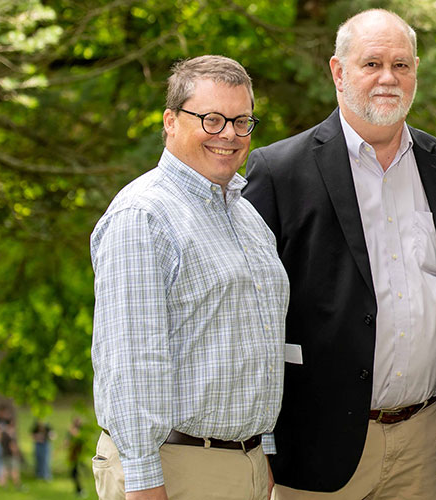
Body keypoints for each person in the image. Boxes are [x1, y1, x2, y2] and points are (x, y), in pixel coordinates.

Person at [242, 9, 436, 500]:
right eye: (372, 63)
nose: (388, 78)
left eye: (402, 65)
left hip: (421, 439)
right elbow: (251, 320)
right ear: (338, 71)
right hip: (316, 446)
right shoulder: (279, 172)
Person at [90, 54, 290, 500]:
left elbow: (257, 349)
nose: (229, 135)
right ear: (171, 121)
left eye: (242, 122)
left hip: (247, 466)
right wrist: (144, 485)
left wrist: (264, 457)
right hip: (173, 469)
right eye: (212, 119)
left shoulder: (246, 216)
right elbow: (130, 363)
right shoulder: (142, 215)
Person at [68, 417, 85, 497]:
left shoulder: (81, 431)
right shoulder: (72, 432)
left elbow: (78, 436)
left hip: (80, 456)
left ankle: (80, 490)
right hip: (74, 456)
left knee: (76, 473)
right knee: (74, 473)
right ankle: (79, 490)